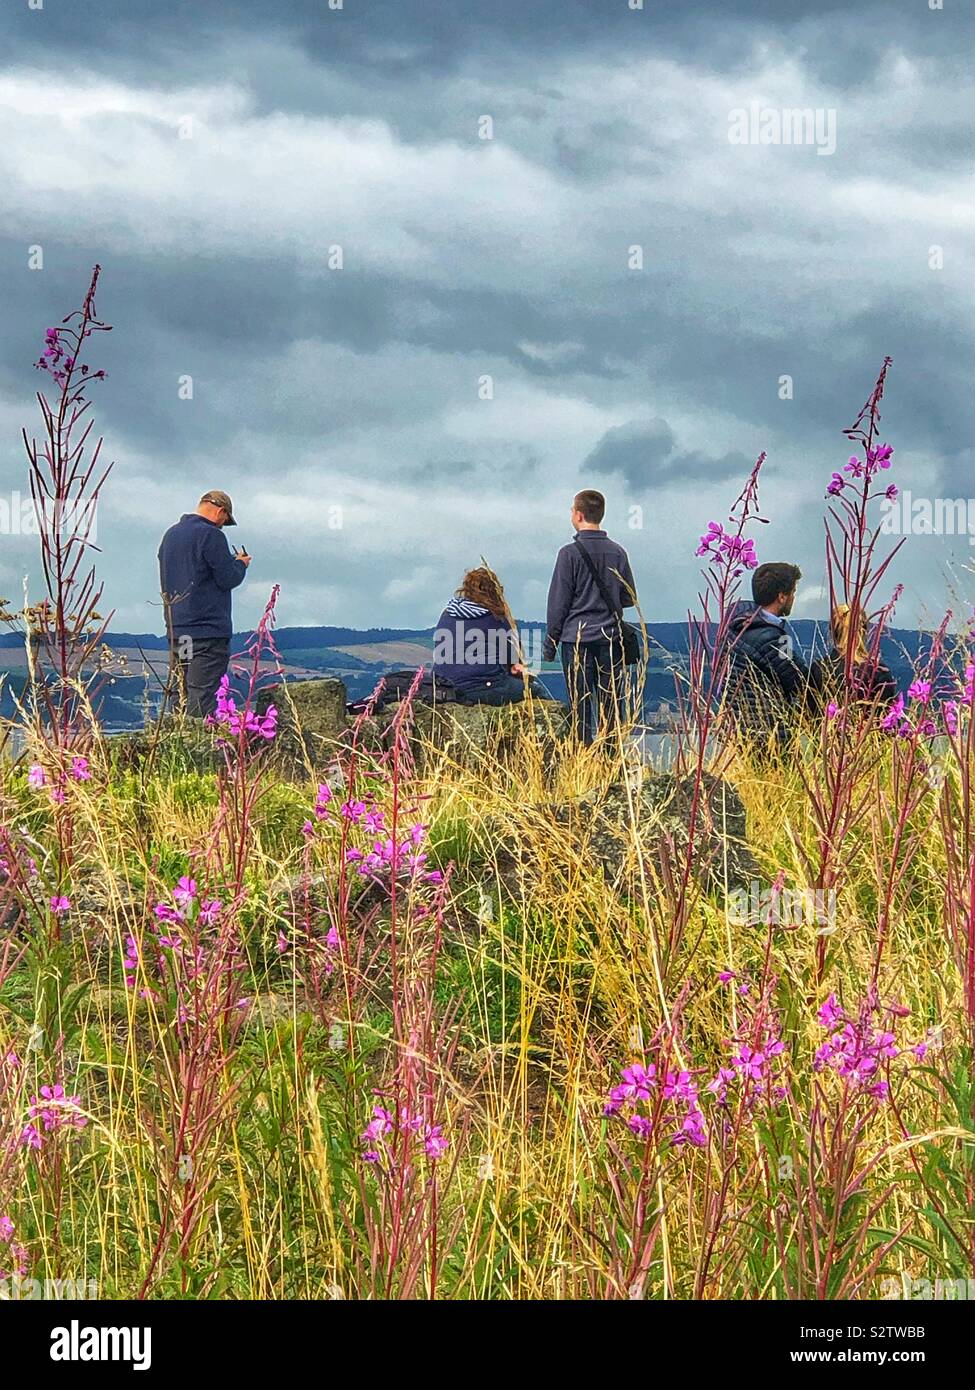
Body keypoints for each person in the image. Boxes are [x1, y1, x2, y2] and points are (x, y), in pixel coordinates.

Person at [543, 490, 637, 744]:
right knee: (612, 707)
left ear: (579, 514)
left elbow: (558, 603)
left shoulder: (568, 554)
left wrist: (550, 643)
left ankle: (582, 761)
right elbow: (629, 598)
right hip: (611, 639)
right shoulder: (618, 553)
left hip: (577, 640)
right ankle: (611, 764)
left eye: (572, 510)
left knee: (580, 707)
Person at [158, 490, 250, 717]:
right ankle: (197, 748)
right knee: (202, 696)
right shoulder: (212, 536)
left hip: (179, 631)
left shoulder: (171, 535)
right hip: (207, 634)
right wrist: (240, 564)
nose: (222, 526)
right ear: (221, 512)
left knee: (180, 693)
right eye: (225, 521)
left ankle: (174, 745)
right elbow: (227, 578)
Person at [723, 562, 820, 746]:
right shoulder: (773, 638)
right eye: (792, 593)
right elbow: (801, 681)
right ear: (782, 597)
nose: (793, 598)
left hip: (736, 731)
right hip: (767, 734)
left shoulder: (735, 626)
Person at [432, 567, 550, 706]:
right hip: (482, 686)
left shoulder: (447, 613)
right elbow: (512, 663)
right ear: (495, 590)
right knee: (537, 692)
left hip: (444, 686)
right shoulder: (495, 616)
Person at [816, 603, 898, 708]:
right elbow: (888, 718)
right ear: (864, 631)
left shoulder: (818, 668)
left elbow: (808, 715)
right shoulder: (877, 671)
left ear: (832, 632)